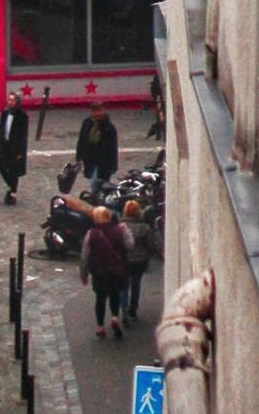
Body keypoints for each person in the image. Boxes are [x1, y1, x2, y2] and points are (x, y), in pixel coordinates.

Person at [82, 205, 129, 341]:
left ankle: (101, 327)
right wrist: (126, 231)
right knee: (114, 294)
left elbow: (84, 256)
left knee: (100, 299)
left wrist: (83, 274)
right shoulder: (119, 230)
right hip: (116, 271)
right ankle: (114, 317)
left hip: (99, 272)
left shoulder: (91, 234)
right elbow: (130, 245)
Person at [118, 199, 154, 325]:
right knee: (136, 285)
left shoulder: (121, 227)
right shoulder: (144, 228)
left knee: (123, 286)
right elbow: (150, 245)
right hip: (140, 260)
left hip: (125, 260)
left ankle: (124, 310)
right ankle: (133, 311)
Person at [74, 107, 119, 196]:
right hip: (90, 159)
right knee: (95, 183)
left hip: (104, 162)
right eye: (95, 111)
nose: (97, 113)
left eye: (99, 111)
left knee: (96, 184)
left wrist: (114, 164)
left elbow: (113, 147)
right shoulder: (87, 123)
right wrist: (79, 157)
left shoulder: (109, 127)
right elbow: (82, 141)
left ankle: (95, 202)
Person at [0, 96, 30, 204]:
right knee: (2, 169)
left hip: (15, 147)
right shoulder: (5, 113)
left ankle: (13, 192)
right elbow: (1, 128)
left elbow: (23, 135)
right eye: (9, 100)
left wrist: (19, 150)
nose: (10, 102)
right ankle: (12, 187)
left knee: (14, 170)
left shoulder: (22, 116)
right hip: (5, 145)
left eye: (12, 100)